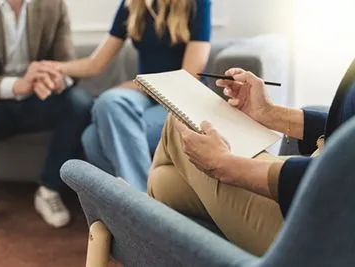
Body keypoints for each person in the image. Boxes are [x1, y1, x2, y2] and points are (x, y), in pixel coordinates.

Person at [148, 59, 355, 256]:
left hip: (328, 220)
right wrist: (270, 113)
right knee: (164, 181)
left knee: (177, 127)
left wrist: (226, 165)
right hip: (322, 173)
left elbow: (343, 183)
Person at [0, 0, 93, 241]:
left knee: (80, 101)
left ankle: (49, 190)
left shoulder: (53, 5)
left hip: (37, 103)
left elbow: (66, 63)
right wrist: (18, 86)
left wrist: (55, 80)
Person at [47, 0, 211, 192]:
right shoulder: (132, 4)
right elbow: (95, 64)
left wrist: (138, 84)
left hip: (183, 101)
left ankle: (141, 206)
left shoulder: (197, 3)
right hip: (148, 96)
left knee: (92, 138)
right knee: (108, 101)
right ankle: (145, 203)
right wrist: (53, 67)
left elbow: (189, 75)